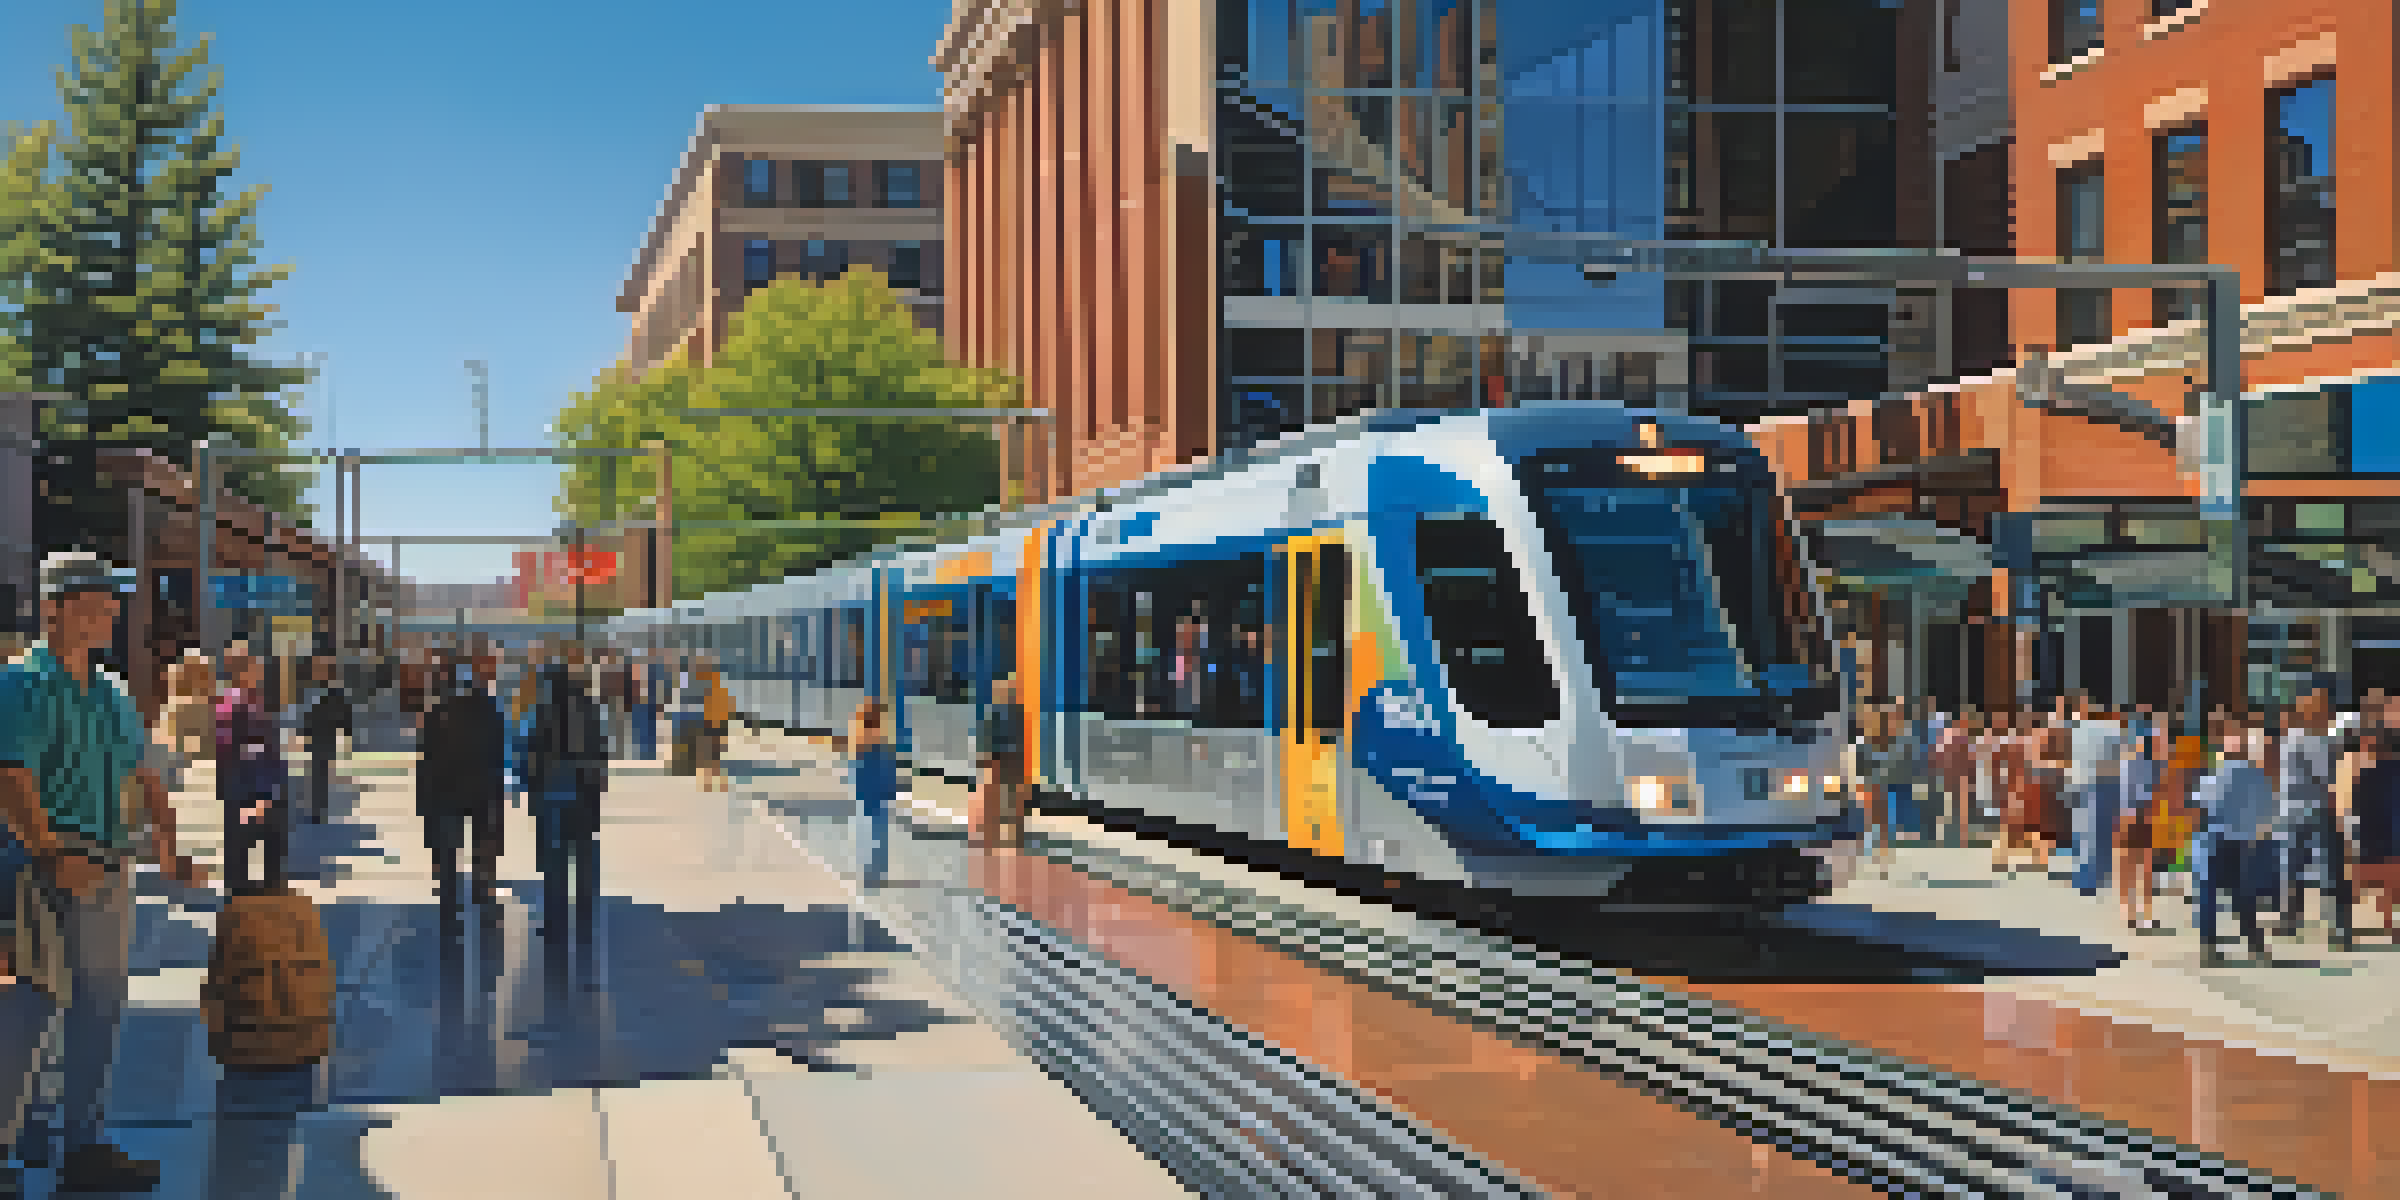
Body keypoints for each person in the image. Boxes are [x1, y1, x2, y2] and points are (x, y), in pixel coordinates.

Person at [0, 553, 209, 1194]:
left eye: (112, 602)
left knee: (99, 1013)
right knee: (28, 1012)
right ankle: (7, 1149)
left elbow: (144, 775)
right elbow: (11, 775)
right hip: (39, 870)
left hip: (106, 870)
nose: (107, 613)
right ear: (54, 608)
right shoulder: (22, 684)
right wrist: (49, 852)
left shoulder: (112, 692)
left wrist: (168, 847)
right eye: (92, 601)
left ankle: (82, 1147)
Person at [418, 656, 508, 918]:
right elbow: (498, 751)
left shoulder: (438, 710)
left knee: (447, 851)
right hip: (482, 788)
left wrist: (423, 801)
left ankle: (449, 900)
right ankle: (483, 895)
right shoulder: (488, 707)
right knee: (483, 845)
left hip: (446, 790)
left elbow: (427, 757)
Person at [527, 648, 608, 942]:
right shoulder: (589, 708)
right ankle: (585, 918)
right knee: (583, 857)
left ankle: (554, 920)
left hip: (552, 793)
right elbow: (600, 752)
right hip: (583, 792)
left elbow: (533, 754)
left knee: (554, 861)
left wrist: (532, 789)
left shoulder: (544, 709)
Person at [2272, 680, 2352, 949]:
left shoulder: (2314, 738)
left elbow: (2325, 777)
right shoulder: (2308, 738)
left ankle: (2335, 926)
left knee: (2317, 870)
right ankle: (2309, 923)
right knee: (2302, 869)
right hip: (2302, 811)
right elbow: (2323, 775)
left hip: (2314, 811)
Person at [2192, 721, 2279, 967]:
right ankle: (2256, 946)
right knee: (2244, 895)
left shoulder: (2214, 774)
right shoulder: (2257, 776)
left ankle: (2209, 948)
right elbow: (2266, 812)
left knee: (2208, 894)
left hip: (2212, 840)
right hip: (2242, 842)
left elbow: (2200, 806)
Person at [215, 643, 289, 894]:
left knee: (245, 865)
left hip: (245, 794)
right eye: (253, 664)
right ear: (245, 669)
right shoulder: (237, 704)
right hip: (251, 795)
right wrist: (261, 797)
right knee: (256, 868)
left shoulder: (243, 701)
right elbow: (243, 755)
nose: (259, 669)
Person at [2346, 691, 2400, 939]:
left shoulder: (2366, 772)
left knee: (2379, 872)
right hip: (2386, 827)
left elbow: (2357, 804)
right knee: (2388, 874)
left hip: (2376, 827)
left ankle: (2383, 919)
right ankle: (2388, 920)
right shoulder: (2382, 771)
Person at [2065, 693, 2126, 897]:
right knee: (2098, 834)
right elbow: (2117, 758)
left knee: (2087, 834)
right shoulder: (2105, 729)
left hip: (2091, 785)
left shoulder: (2083, 729)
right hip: (2102, 785)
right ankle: (2095, 876)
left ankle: (2088, 879)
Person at [845, 699, 897, 887]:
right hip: (874, 791)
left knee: (870, 831)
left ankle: (872, 870)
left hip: (869, 791)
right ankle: (875, 871)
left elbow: (857, 770)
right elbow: (886, 768)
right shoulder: (875, 742)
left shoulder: (863, 742)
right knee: (876, 832)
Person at [973, 676, 1028, 849]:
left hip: (1008, 760)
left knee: (1008, 799)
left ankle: (1008, 837)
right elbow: (987, 737)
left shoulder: (1011, 713)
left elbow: (1017, 739)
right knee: (999, 799)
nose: (1000, 693)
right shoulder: (1001, 713)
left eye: (1003, 690)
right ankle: (996, 837)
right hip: (1003, 760)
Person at [300, 658, 355, 823]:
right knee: (318, 774)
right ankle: (318, 808)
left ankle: (319, 809)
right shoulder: (315, 691)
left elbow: (344, 716)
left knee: (320, 774)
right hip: (318, 739)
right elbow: (309, 716)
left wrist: (346, 733)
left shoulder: (333, 693)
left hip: (325, 739)